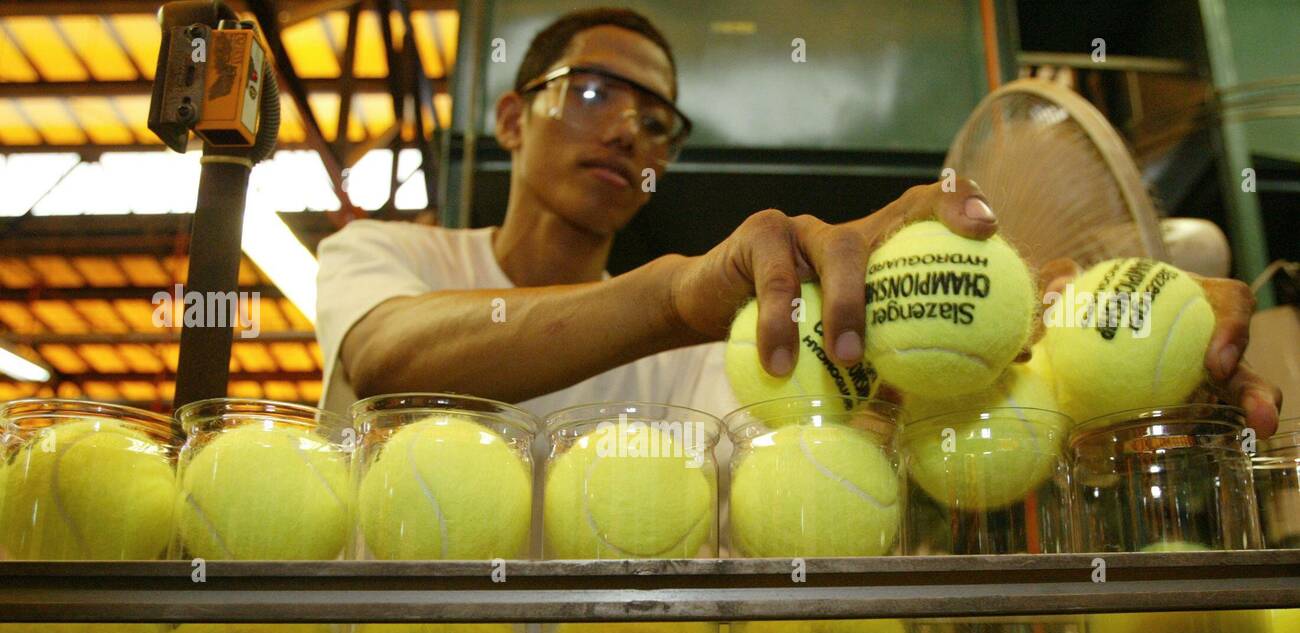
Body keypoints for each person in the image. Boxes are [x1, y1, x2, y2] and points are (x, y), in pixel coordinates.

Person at [315, 6, 1281, 437]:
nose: (627, 128)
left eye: (658, 121)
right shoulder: (389, 251)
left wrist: (1080, 351)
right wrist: (680, 293)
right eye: (595, 90)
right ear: (513, 118)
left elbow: (832, 424)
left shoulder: (713, 360)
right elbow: (388, 358)